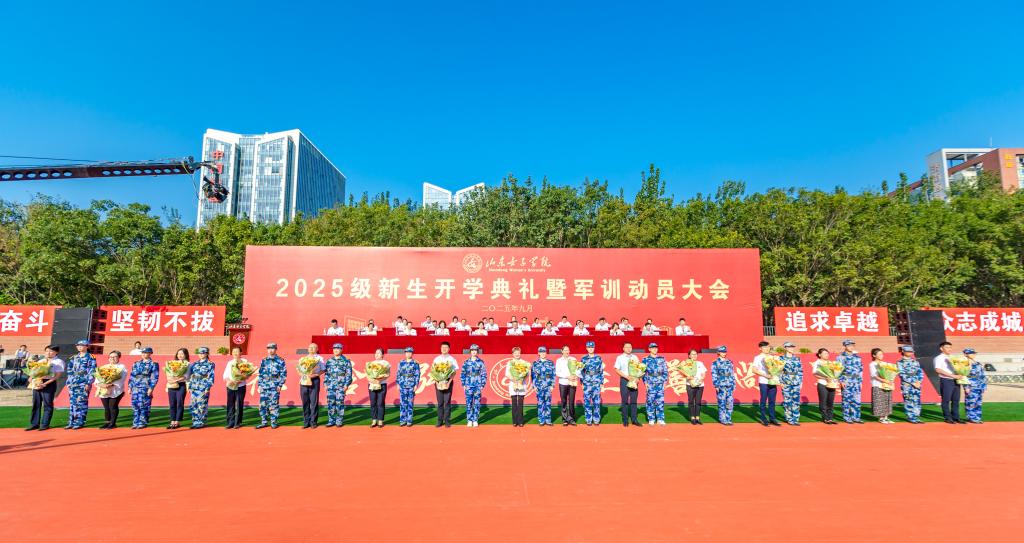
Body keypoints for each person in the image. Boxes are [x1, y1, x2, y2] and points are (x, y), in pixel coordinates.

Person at [25, 346, 64, 431]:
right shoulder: (41, 361)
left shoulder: (58, 362)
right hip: (37, 382)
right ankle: (34, 424)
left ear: (56, 352)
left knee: (47, 404)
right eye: (46, 351)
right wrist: (31, 377)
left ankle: (45, 424)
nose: (48, 353)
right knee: (36, 404)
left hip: (49, 383)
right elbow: (34, 372)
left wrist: (45, 384)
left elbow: (57, 376)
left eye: (51, 351)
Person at [64, 339, 96, 430]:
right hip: (73, 383)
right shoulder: (74, 357)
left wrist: (88, 383)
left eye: (81, 345)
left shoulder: (91, 357)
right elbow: (69, 370)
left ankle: (80, 422)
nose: (79, 347)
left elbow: (92, 371)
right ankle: (71, 422)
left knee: (81, 402)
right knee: (72, 403)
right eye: (78, 345)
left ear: (87, 346)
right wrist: (68, 383)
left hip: (83, 382)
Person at [257, 343, 287, 429]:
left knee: (274, 404)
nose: (270, 350)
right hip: (264, 385)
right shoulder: (264, 360)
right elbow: (260, 373)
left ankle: (273, 422)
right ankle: (264, 422)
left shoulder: (280, 360)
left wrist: (280, 385)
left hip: (274, 385)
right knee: (263, 405)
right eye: (269, 348)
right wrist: (259, 385)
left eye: (272, 348)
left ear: (276, 349)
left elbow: (283, 374)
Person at [128, 347, 159, 430]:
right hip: (135, 387)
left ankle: (142, 422)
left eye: (146, 353)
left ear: (150, 353)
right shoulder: (136, 363)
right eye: (142, 352)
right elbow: (132, 376)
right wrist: (130, 387)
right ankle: (135, 422)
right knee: (135, 405)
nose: (143, 354)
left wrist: (151, 388)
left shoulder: (153, 364)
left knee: (144, 405)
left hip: (145, 386)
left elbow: (154, 377)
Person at [95, 351, 127, 430]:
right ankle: (107, 423)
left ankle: (113, 423)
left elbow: (122, 379)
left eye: (114, 356)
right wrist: (100, 384)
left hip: (116, 390)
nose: (112, 358)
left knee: (112, 406)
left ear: (119, 357)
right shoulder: (104, 367)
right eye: (110, 357)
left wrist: (110, 384)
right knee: (106, 407)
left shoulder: (121, 367)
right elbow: (97, 377)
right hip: (103, 390)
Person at [324, 343, 354, 427]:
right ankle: (331, 420)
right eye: (334, 348)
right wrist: (325, 383)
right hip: (330, 386)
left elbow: (349, 374)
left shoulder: (346, 361)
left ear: (341, 350)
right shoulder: (329, 361)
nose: (335, 350)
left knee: (339, 403)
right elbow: (327, 374)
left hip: (341, 386)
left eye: (338, 348)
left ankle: (339, 421)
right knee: (330, 403)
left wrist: (346, 385)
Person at [933, 341, 962, 424]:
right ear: (941, 348)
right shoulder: (939, 358)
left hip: (956, 380)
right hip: (946, 380)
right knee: (946, 400)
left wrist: (960, 373)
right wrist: (953, 376)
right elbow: (938, 370)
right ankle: (947, 418)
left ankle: (956, 417)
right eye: (947, 347)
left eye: (950, 347)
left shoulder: (952, 357)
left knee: (956, 400)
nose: (949, 349)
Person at [222, 347, 251, 429]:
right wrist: (229, 380)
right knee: (230, 404)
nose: (235, 353)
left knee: (239, 404)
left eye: (237, 351)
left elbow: (246, 374)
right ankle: (230, 422)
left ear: (241, 353)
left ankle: (237, 422)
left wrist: (239, 380)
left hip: (240, 386)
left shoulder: (244, 361)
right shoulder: (230, 362)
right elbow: (225, 374)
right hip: (230, 386)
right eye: (233, 351)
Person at [186, 347, 216, 429]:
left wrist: (208, 387)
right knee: (193, 405)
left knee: (202, 405)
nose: (201, 354)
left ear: (207, 354)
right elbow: (191, 375)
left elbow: (211, 376)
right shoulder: (195, 364)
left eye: (203, 353)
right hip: (194, 387)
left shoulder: (210, 364)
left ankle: (201, 422)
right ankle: (195, 422)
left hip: (203, 387)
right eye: (200, 353)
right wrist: (189, 386)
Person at [751, 341, 779, 427]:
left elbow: (777, 369)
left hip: (773, 381)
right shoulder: (757, 358)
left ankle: (772, 418)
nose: (767, 348)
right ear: (760, 348)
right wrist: (765, 375)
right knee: (763, 401)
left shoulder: (772, 357)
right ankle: (763, 418)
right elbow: (754, 370)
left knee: (772, 401)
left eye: (768, 347)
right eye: (765, 347)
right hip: (763, 381)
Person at [836, 340, 864, 424]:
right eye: (849, 345)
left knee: (857, 400)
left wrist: (860, 381)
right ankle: (847, 417)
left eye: (852, 345)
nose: (851, 347)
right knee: (846, 400)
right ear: (845, 346)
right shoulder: (840, 357)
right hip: (846, 380)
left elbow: (860, 370)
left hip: (856, 381)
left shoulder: (857, 357)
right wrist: (841, 381)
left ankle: (856, 417)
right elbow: (838, 370)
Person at [432, 342, 459, 428]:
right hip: (438, 381)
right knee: (440, 402)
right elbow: (433, 372)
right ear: (440, 348)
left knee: (447, 402)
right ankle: (439, 420)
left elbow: (454, 372)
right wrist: (437, 382)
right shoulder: (437, 359)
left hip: (448, 382)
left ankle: (447, 420)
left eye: (446, 347)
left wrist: (449, 382)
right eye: (443, 347)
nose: (444, 349)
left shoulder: (452, 359)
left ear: (449, 349)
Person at [299, 343, 325, 429]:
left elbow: (323, 369)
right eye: (310, 347)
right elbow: (299, 369)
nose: (311, 349)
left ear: (317, 349)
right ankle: (306, 422)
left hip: (314, 380)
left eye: (314, 347)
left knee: (314, 402)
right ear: (308, 349)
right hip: (304, 380)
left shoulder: (320, 358)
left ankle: (313, 422)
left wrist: (316, 374)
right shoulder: (303, 358)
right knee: (305, 402)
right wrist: (302, 374)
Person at [614, 342, 640, 427]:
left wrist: (638, 378)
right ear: (623, 348)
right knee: (625, 401)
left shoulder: (635, 357)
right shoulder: (620, 357)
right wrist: (626, 377)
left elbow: (639, 369)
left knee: (634, 401)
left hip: (634, 381)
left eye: (630, 347)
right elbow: (616, 369)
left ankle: (634, 419)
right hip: (625, 380)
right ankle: (625, 420)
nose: (628, 349)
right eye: (627, 347)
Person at [896, 346, 924, 424]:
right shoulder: (900, 362)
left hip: (917, 384)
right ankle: (911, 417)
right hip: (907, 384)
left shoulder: (915, 362)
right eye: (908, 351)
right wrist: (913, 382)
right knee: (908, 400)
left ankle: (916, 416)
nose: (910, 353)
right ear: (903, 351)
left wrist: (919, 381)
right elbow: (902, 374)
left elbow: (920, 372)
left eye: (911, 351)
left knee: (917, 400)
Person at [461, 344, 486, 427]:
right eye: (472, 350)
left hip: (477, 384)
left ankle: (475, 420)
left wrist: (482, 384)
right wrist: (463, 384)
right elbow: (463, 373)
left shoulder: (481, 362)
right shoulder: (466, 362)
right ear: (470, 351)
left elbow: (483, 374)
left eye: (475, 350)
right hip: (468, 384)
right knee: (468, 403)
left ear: (477, 351)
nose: (474, 352)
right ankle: (469, 420)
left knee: (477, 403)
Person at [643, 342, 668, 425]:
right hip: (650, 383)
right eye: (653, 348)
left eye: (656, 348)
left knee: (660, 401)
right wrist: (645, 382)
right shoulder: (645, 359)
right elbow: (642, 372)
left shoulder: (662, 359)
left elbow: (665, 371)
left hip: (660, 382)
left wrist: (665, 382)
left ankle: (660, 419)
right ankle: (651, 419)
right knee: (650, 401)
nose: (655, 349)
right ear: (649, 349)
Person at [580, 341, 604, 426]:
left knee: (596, 402)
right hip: (587, 383)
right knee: (587, 402)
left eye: (592, 347)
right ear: (586, 348)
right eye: (589, 347)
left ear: (594, 348)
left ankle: (596, 419)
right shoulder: (583, 359)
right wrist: (582, 383)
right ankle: (588, 419)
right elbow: (581, 371)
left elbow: (601, 371)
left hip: (596, 382)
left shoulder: (598, 358)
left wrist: (601, 382)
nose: (590, 349)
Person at [779, 342, 803, 426]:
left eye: (793, 347)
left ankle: (796, 419)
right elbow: (779, 371)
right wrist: (780, 382)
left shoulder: (797, 358)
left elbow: (800, 371)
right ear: (785, 348)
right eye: (790, 347)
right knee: (787, 401)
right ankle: (789, 418)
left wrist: (801, 382)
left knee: (796, 401)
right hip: (786, 381)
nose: (792, 348)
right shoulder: (781, 358)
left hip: (796, 382)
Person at [811, 348, 838, 424]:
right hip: (822, 384)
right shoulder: (817, 362)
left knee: (830, 402)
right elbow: (815, 373)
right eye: (825, 353)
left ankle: (830, 418)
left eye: (827, 353)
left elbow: (835, 373)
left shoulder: (830, 363)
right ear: (820, 355)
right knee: (823, 402)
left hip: (831, 384)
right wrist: (825, 378)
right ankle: (825, 418)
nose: (827, 355)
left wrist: (835, 376)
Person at [710, 346, 735, 425]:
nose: (724, 353)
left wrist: (734, 384)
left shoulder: (730, 362)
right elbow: (714, 374)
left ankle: (728, 418)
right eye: (722, 352)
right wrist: (716, 385)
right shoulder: (715, 363)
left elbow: (732, 373)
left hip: (729, 384)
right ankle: (722, 419)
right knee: (722, 402)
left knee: (730, 402)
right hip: (721, 385)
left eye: (725, 352)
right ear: (718, 352)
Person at [396, 347, 421, 427]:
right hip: (402, 384)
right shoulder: (401, 363)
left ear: (412, 353)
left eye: (410, 352)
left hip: (411, 385)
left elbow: (417, 374)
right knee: (402, 403)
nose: (408, 353)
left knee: (410, 403)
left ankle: (409, 420)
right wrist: (397, 383)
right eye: (407, 352)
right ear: (405, 353)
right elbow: (398, 373)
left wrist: (416, 385)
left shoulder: (415, 363)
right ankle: (402, 420)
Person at [531, 347, 556, 426]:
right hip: (539, 386)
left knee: (548, 403)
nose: (543, 353)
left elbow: (553, 375)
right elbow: (533, 376)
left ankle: (548, 420)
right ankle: (541, 420)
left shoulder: (550, 363)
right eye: (541, 352)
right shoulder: (535, 363)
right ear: (538, 353)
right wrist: (534, 386)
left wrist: (552, 385)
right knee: (540, 403)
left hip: (548, 386)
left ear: (546, 353)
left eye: (544, 352)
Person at [869, 348, 894, 424]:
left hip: (887, 385)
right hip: (877, 385)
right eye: (879, 354)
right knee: (880, 401)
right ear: (874, 355)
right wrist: (884, 380)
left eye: (882, 354)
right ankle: (881, 418)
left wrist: (890, 380)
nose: (881, 355)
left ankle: (886, 417)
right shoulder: (872, 364)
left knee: (887, 400)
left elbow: (890, 373)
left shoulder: (885, 364)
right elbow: (874, 375)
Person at [555, 346, 579, 426]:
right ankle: (565, 419)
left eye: (568, 350)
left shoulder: (573, 359)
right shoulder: (559, 360)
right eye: (565, 350)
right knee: (564, 401)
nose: (567, 352)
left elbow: (577, 370)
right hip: (563, 383)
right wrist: (567, 376)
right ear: (562, 351)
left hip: (572, 383)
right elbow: (557, 372)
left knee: (571, 401)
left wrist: (575, 375)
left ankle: (572, 419)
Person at [367, 347, 391, 428]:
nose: (377, 354)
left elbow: (388, 374)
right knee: (373, 402)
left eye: (379, 353)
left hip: (382, 384)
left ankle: (380, 420)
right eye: (376, 353)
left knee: (380, 402)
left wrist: (379, 380)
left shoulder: (386, 363)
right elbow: (368, 374)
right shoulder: (371, 363)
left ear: (382, 355)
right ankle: (374, 420)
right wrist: (371, 380)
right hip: (372, 385)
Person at [166, 348, 189, 429]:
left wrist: (176, 380)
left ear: (185, 355)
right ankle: (172, 421)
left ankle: (177, 422)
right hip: (172, 385)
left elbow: (186, 376)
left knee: (180, 403)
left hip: (181, 385)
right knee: (172, 404)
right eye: (178, 353)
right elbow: (168, 372)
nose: (180, 355)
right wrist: (170, 379)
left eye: (182, 354)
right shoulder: (172, 363)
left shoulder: (187, 364)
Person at [506, 347, 529, 427]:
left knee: (520, 402)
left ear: (520, 353)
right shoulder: (510, 363)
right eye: (515, 353)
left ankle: (521, 421)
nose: (517, 354)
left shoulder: (524, 362)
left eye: (518, 353)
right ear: (513, 354)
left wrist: (521, 380)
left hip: (521, 384)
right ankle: (515, 421)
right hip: (513, 384)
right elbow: (507, 374)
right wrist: (514, 380)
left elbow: (527, 373)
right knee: (514, 402)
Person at [683, 349, 706, 425]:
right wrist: (688, 377)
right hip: (690, 385)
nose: (694, 355)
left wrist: (701, 379)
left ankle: (697, 418)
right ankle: (692, 417)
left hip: (700, 385)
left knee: (698, 402)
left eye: (695, 354)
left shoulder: (700, 363)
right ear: (689, 356)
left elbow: (704, 373)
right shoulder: (686, 364)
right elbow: (683, 374)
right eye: (692, 354)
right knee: (691, 401)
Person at [963, 348, 986, 424]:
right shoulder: (964, 363)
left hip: (979, 385)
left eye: (974, 353)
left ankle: (977, 418)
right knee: (971, 402)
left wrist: (984, 385)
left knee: (978, 403)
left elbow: (982, 375)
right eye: (971, 353)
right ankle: (971, 418)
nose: (974, 354)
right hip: (971, 385)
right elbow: (964, 376)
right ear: (966, 354)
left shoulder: (977, 363)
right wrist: (966, 387)